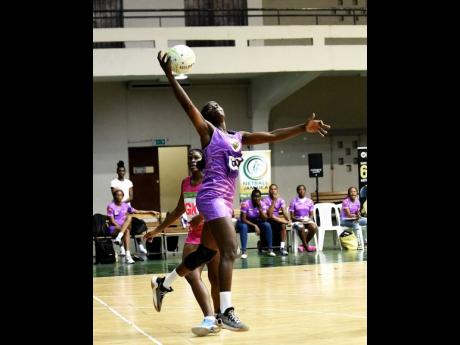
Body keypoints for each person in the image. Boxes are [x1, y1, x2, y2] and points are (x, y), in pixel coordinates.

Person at [150, 51, 331, 331]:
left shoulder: (238, 137)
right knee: (231, 249)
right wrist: (171, 78)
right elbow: (188, 108)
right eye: (210, 105)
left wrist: (302, 127)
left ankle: (164, 283)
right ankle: (226, 311)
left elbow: (272, 136)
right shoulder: (210, 133)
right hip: (211, 197)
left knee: (204, 255)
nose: (216, 105)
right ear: (208, 116)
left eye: (217, 103)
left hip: (224, 199)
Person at [144, 149, 221, 336]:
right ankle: (209, 318)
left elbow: (219, 203)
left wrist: (202, 215)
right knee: (192, 276)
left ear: (204, 160)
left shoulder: (211, 180)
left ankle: (218, 317)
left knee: (215, 279)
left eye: (196, 157)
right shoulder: (186, 183)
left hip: (213, 235)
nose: (192, 161)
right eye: (190, 158)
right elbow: (179, 210)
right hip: (194, 237)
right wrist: (157, 229)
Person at [107, 189, 159, 264]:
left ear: (123, 197)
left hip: (123, 230)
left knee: (129, 218)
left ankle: (127, 253)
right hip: (114, 228)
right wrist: (121, 228)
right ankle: (128, 257)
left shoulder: (125, 205)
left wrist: (151, 211)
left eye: (121, 195)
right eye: (117, 195)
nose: (119, 197)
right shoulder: (110, 206)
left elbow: (137, 211)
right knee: (126, 230)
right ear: (114, 196)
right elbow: (112, 221)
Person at [110, 161, 149, 255]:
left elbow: (131, 196)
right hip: (117, 208)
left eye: (123, 171)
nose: (121, 172)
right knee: (122, 226)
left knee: (131, 226)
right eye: (120, 170)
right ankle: (122, 248)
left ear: (125, 172)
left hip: (127, 207)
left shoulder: (129, 182)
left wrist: (123, 204)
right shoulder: (113, 182)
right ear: (117, 171)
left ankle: (140, 246)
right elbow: (115, 194)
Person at [236, 188, 274, 258]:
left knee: (267, 225)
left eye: (259, 196)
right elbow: (243, 219)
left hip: (256, 221)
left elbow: (265, 219)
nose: (257, 198)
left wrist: (260, 209)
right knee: (244, 227)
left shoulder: (262, 204)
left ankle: (270, 250)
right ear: (252, 197)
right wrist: (255, 226)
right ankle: (244, 251)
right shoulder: (246, 203)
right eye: (255, 196)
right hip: (245, 222)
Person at [263, 184, 290, 256]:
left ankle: (282, 248)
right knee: (275, 221)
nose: (273, 191)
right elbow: (269, 214)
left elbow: (284, 212)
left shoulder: (281, 200)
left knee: (283, 226)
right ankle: (269, 248)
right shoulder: (265, 200)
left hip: (276, 219)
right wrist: (274, 201)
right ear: (269, 191)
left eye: (275, 189)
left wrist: (289, 220)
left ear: (277, 190)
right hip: (268, 219)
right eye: (271, 189)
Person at [289, 185, 318, 252]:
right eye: (299, 189)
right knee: (301, 226)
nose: (301, 191)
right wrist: (299, 220)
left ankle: (303, 245)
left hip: (307, 220)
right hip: (297, 220)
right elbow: (292, 217)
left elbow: (311, 214)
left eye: (303, 189)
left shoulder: (310, 201)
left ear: (305, 191)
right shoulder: (293, 201)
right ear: (297, 191)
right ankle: (307, 247)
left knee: (314, 227)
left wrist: (308, 219)